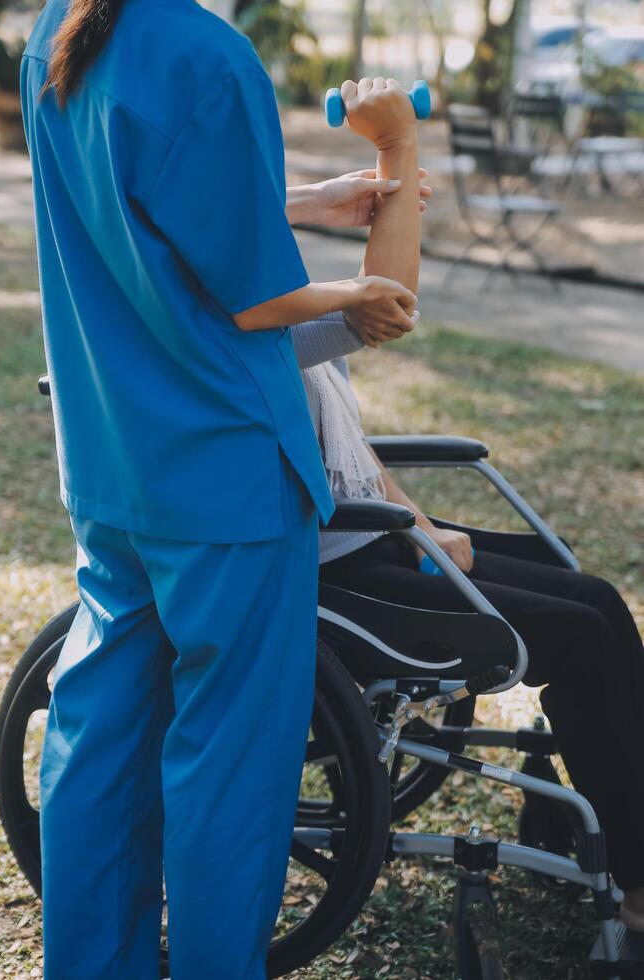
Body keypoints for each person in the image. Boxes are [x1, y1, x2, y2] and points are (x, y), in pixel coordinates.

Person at [20, 0, 425, 974]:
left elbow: (132, 201)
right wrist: (346, 294)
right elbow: (259, 302)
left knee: (102, 742)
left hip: (117, 466)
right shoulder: (209, 54)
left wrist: (298, 200)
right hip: (226, 478)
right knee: (230, 769)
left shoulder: (62, 27)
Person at [297, 80, 644, 931]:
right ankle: (635, 885)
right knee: (581, 636)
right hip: (326, 565)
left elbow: (349, 444)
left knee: (596, 595)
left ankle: (573, 829)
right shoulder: (260, 314)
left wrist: (421, 523)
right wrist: (396, 150)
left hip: (371, 534)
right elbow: (391, 304)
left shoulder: (283, 297)